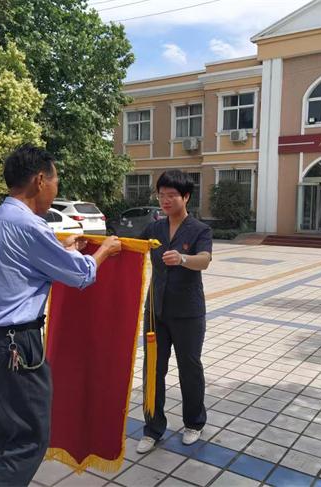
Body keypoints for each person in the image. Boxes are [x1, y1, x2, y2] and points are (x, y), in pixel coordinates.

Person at [0, 145, 121, 486]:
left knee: (4, 434)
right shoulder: (30, 226)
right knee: (28, 440)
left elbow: (21, 267)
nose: (56, 190)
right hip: (14, 346)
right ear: (40, 180)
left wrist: (63, 250)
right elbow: (81, 275)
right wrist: (106, 249)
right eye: (56, 181)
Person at [137, 170, 213, 454]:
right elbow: (132, 247)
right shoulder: (154, 228)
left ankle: (194, 422)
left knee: (189, 368)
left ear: (186, 197)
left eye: (171, 195)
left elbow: (204, 260)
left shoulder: (199, 230)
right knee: (153, 369)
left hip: (188, 312)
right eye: (161, 195)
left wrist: (182, 258)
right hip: (156, 311)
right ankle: (152, 428)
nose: (165, 200)